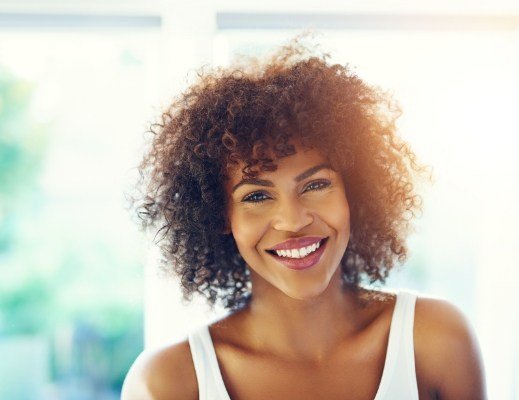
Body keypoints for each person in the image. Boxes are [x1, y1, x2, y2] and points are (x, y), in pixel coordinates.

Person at [121, 36, 486, 399]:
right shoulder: (167, 383)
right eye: (257, 195)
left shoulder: (436, 341)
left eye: (315, 185)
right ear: (219, 214)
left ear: (354, 190)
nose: (293, 221)